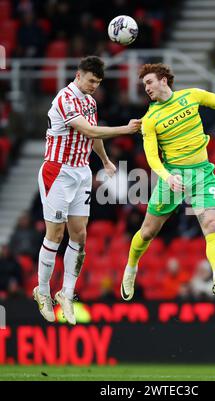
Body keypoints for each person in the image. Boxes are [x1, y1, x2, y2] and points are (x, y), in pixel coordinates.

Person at [120, 63, 215, 301]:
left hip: (202, 174)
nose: (147, 88)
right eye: (144, 85)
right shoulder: (150, 119)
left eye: (149, 82)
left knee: (212, 226)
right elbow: (152, 157)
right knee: (148, 232)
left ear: (164, 80)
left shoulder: (191, 96)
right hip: (173, 176)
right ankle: (131, 268)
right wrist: (168, 177)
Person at [33, 56, 141, 324]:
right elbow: (86, 128)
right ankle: (43, 291)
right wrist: (125, 130)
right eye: (91, 80)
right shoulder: (65, 98)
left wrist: (104, 160)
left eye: (98, 82)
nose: (94, 86)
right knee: (55, 233)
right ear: (78, 76)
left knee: (79, 236)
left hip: (81, 172)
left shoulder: (90, 102)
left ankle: (66, 294)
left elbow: (92, 136)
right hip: (58, 170)